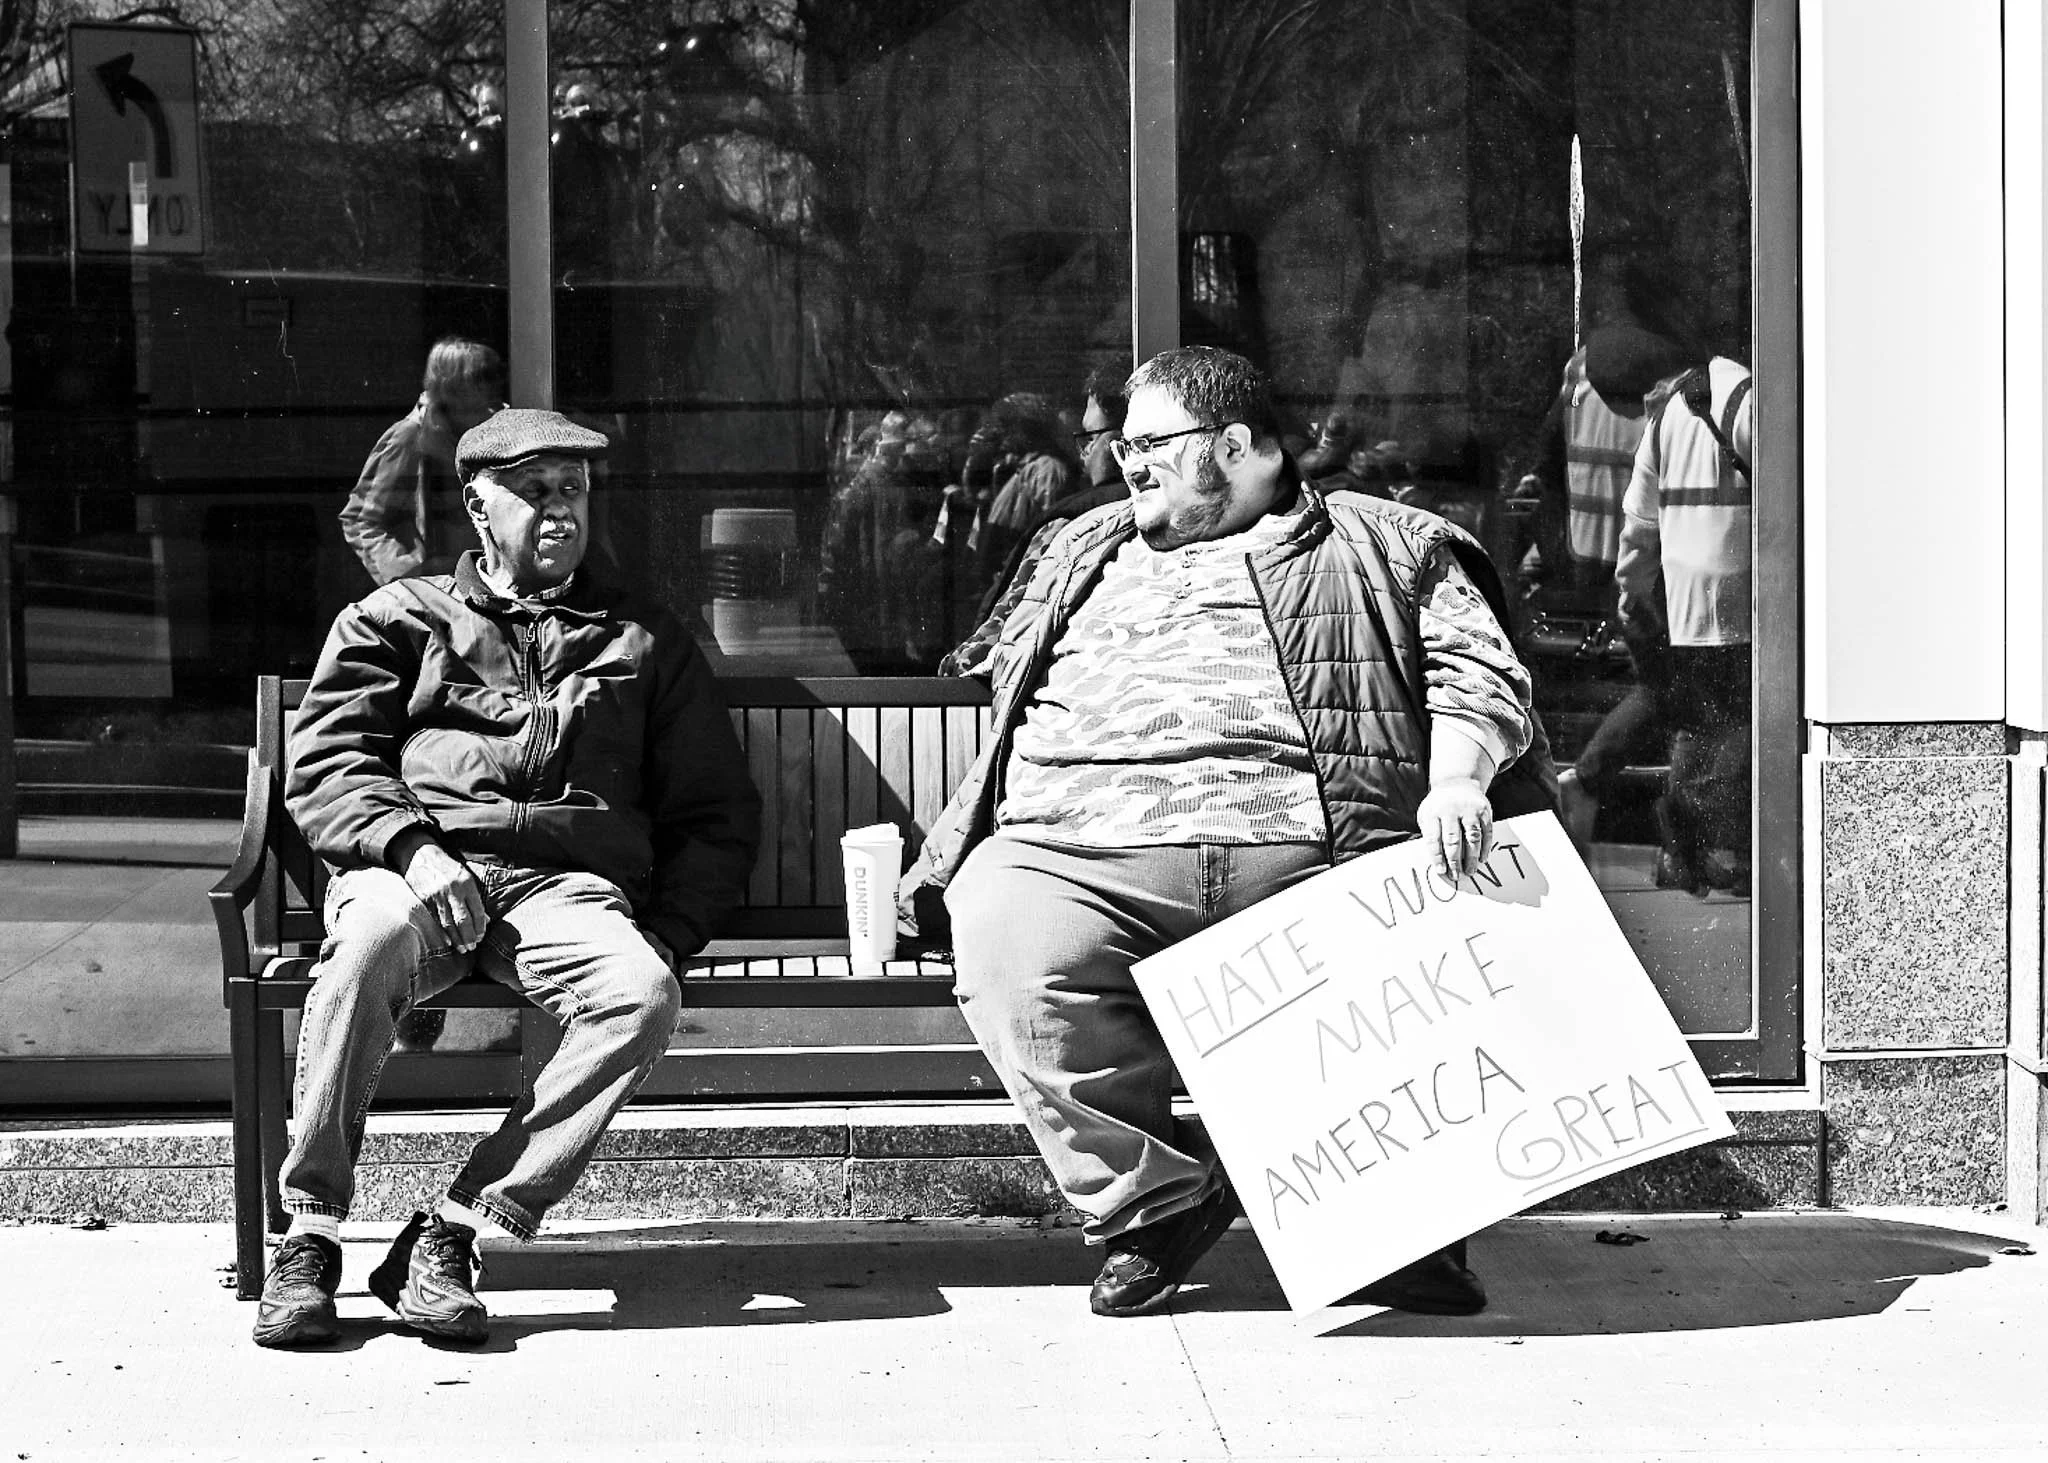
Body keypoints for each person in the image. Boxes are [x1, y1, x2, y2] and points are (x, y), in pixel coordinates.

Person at [900, 347, 1551, 1319]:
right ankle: (1151, 1203)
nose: (1125, 460)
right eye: (1118, 442)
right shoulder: (1081, 547)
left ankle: (1393, 1221)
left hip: (1310, 850)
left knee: (1393, 927)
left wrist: (1456, 776)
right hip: (1075, 856)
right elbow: (985, 666)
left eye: (1150, 441)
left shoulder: (1381, 541)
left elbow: (1474, 670)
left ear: (1238, 446)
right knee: (999, 927)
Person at [255, 409, 760, 1348]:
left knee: (642, 993)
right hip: (420, 870)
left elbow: (714, 810)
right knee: (367, 940)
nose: (559, 511)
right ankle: (311, 1230)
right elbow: (326, 765)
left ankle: (451, 1227)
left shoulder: (641, 639)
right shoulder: (399, 617)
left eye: (572, 491)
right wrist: (413, 848)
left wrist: (669, 933)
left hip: (565, 889)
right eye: (535, 492)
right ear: (479, 508)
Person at [1616, 356, 1755, 896]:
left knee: (1697, 725)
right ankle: (1724, 850)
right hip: (1742, 592)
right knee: (1737, 727)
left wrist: (1630, 591)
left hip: (1684, 599)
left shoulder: (1668, 412)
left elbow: (1640, 521)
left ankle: (1681, 852)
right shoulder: (1745, 392)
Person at [938, 366, 1131, 678]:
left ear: (1121, 443)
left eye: (1089, 439)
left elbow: (1027, 600)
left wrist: (957, 666)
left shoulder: (1067, 510)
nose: (1082, 454)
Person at [339, 337, 506, 586]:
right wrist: (409, 576)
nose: (490, 388)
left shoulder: (496, 427)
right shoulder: (410, 437)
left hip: (485, 582)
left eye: (491, 377)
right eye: (479, 378)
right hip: (438, 590)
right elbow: (362, 519)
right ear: (452, 386)